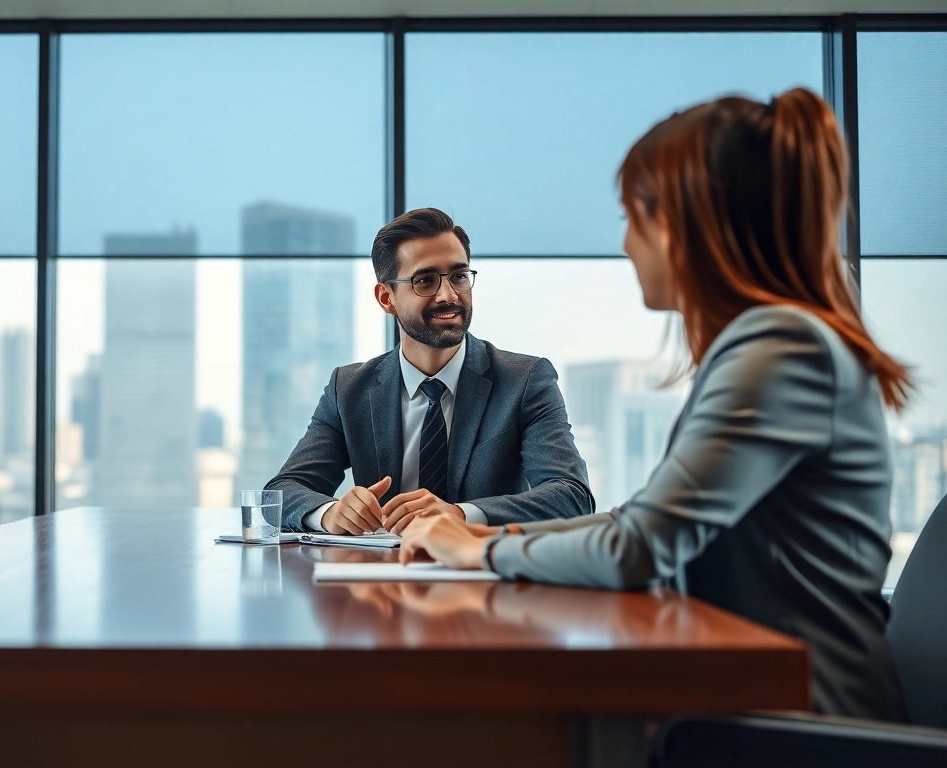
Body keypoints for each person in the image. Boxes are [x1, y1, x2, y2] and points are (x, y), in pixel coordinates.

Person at [398, 88, 912, 721]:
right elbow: (638, 521)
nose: (625, 246)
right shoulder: (767, 345)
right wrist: (485, 532)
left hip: (803, 719)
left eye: (632, 219)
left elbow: (640, 544)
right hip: (751, 691)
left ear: (681, 227)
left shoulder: (781, 350)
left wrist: (479, 547)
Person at [266, 208, 595, 535]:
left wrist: (460, 515)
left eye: (459, 276)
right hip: (380, 578)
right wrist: (329, 513)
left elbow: (572, 495)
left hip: (485, 573)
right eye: (425, 280)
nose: (449, 295)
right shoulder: (349, 389)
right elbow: (281, 491)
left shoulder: (524, 381)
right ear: (386, 297)